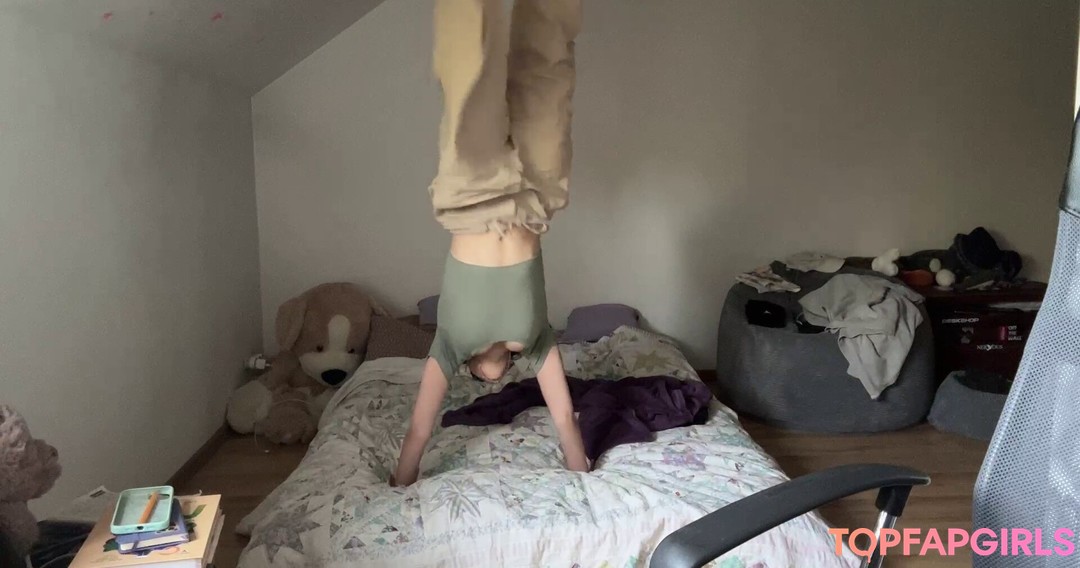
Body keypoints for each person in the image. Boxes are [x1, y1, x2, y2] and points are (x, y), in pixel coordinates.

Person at [392, 0, 586, 487]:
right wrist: (580, 470)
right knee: (549, 67)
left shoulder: (448, 345)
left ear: (474, 372)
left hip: (472, 199)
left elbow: (420, 428)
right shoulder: (536, 344)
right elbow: (565, 418)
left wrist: (400, 481)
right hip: (536, 198)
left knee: (471, 73)